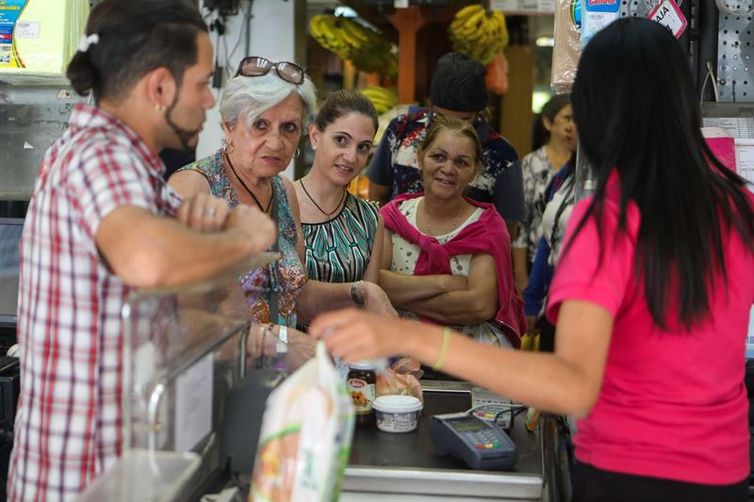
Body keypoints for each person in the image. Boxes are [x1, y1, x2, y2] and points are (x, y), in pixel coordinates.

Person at [311, 17, 754, 502]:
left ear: (599, 111)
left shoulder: (607, 221)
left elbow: (572, 386)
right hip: (723, 474)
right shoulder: (739, 208)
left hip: (627, 473)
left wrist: (412, 335)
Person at [8, 2, 277, 500]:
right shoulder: (101, 154)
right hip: (82, 479)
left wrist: (216, 228)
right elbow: (147, 261)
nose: (209, 101)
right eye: (201, 83)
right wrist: (245, 237)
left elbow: (189, 293)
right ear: (159, 88)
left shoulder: (137, 169)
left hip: (119, 469)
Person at [169, 57, 393, 329]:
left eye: (288, 128)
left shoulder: (283, 191)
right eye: (260, 125)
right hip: (218, 368)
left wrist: (361, 291)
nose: (276, 143)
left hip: (278, 366)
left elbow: (297, 297)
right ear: (229, 126)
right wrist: (275, 342)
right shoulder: (194, 188)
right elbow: (182, 314)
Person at [379, 116, 525, 348]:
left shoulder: (486, 226)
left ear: (475, 171)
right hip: (397, 356)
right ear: (419, 159)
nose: (448, 169)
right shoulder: (393, 215)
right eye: (438, 156)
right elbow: (377, 285)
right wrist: (446, 283)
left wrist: (402, 297)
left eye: (462, 162)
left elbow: (480, 305)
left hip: (465, 363)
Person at [366, 52, 524, 240]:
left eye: (463, 121)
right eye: (441, 118)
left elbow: (507, 231)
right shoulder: (401, 131)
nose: (451, 128)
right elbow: (377, 194)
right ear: (430, 106)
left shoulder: (502, 157)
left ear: (479, 113)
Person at [295, 90, 384, 286]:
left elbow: (370, 301)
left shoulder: (370, 219)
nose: (351, 157)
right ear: (315, 136)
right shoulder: (279, 202)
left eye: (363, 147)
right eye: (341, 140)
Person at [512, 94, 576, 294]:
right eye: (567, 118)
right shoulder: (531, 164)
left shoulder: (581, 166)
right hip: (535, 261)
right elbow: (521, 225)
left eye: (578, 119)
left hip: (570, 262)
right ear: (547, 123)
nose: (572, 125)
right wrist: (521, 277)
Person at [523, 156, 575, 351]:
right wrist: (532, 298)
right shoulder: (567, 172)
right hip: (554, 301)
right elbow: (549, 238)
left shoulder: (626, 176)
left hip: (592, 306)